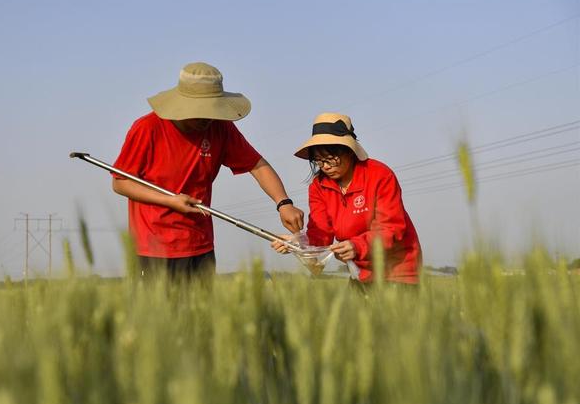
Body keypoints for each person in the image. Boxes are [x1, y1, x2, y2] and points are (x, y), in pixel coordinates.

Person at [112, 62, 304, 281]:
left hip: (200, 244)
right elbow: (120, 182)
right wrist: (170, 201)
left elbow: (257, 166)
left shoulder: (220, 128)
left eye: (211, 111)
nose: (207, 118)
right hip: (154, 247)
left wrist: (284, 203)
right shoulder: (147, 128)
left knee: (200, 314)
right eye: (201, 112)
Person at [272, 112, 422, 284]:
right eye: (319, 161)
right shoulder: (318, 186)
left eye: (331, 159)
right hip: (359, 272)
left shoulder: (379, 174)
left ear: (349, 152)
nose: (326, 166)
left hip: (398, 272)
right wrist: (297, 242)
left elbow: (391, 229)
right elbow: (320, 234)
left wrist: (357, 246)